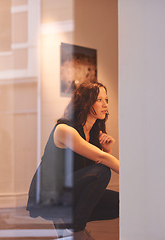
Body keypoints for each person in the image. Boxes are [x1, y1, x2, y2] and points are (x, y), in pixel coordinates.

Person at [26, 81, 119, 240]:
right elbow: (101, 160)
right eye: (99, 100)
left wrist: (107, 149)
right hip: (50, 194)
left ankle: (68, 227)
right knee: (101, 172)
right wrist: (132, 177)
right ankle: (75, 230)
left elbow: (96, 162)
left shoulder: (94, 132)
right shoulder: (64, 129)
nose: (105, 105)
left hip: (70, 190)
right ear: (85, 103)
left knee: (120, 202)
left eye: (106, 100)